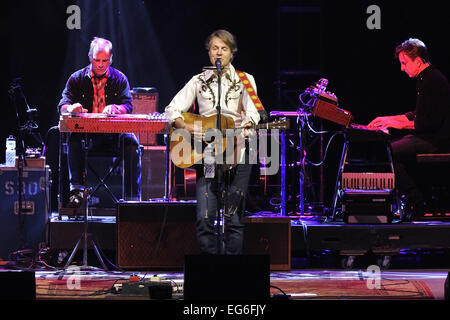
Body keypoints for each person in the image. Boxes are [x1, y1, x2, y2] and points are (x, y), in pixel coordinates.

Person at [165, 29, 261, 254]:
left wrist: (249, 122)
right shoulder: (198, 81)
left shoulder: (245, 80)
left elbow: (254, 112)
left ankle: (232, 278)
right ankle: (209, 275)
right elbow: (172, 109)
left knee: (234, 219)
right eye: (215, 48)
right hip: (207, 153)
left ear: (231, 54)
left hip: (238, 151)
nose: (219, 53)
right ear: (209, 53)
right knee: (204, 217)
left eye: (224, 49)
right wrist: (187, 127)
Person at [368, 38, 450, 219]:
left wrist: (397, 124)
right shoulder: (425, 78)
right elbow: (416, 114)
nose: (402, 68)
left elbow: (427, 123)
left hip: (436, 141)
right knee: (391, 150)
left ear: (418, 61)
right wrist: (387, 119)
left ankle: (417, 202)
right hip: (427, 137)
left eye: (404, 63)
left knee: (388, 152)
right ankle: (414, 199)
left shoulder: (433, 80)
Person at [58, 37, 141, 207]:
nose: (101, 64)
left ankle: (133, 198)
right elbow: (62, 105)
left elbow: (128, 106)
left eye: (105, 60)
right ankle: (77, 192)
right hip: (88, 137)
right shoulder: (77, 78)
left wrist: (116, 109)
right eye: (97, 60)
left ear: (111, 59)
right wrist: (71, 108)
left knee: (132, 144)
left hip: (113, 136)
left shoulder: (120, 79)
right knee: (73, 139)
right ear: (90, 57)